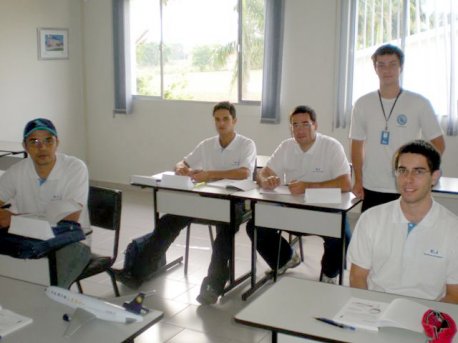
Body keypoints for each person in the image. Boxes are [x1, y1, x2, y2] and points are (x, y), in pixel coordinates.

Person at [116, 101, 256, 305]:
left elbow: (244, 172)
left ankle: (212, 286)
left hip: (234, 201)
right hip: (204, 197)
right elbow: (183, 162)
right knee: (168, 222)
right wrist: (181, 168)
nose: (221, 123)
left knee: (224, 235)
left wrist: (209, 174)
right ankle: (137, 272)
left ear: (234, 121)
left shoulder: (246, 144)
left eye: (226, 119)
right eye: (217, 119)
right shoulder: (207, 144)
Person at [246, 105, 352, 283]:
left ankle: (329, 273)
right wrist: (266, 181)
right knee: (255, 225)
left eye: (305, 124)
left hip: (324, 208)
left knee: (342, 234)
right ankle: (285, 259)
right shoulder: (287, 146)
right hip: (292, 206)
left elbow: (346, 183)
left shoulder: (331, 146)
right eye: (295, 125)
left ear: (315, 125)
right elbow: (263, 172)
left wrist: (308, 186)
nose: (300, 130)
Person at [348, 140, 458, 304]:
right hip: (376, 306)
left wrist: (427, 321)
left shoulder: (452, 228)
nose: (408, 179)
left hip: (427, 315)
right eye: (402, 170)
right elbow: (357, 277)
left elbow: (454, 294)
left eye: (418, 172)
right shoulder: (371, 219)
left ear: (434, 177)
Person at [349, 44, 445, 212]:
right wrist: (358, 180)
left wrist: (424, 174)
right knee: (374, 235)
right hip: (372, 185)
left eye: (392, 64)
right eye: (381, 65)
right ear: (375, 68)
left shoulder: (419, 103)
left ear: (401, 67)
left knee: (408, 235)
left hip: (407, 186)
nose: (387, 70)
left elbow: (438, 143)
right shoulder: (363, 103)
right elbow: (356, 145)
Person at [0, 118, 91, 288]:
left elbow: (68, 221)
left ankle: (49, 304)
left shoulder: (75, 168)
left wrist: (14, 220)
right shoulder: (17, 171)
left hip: (69, 241)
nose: (42, 147)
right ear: (25, 146)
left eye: (48, 140)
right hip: (27, 238)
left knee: (52, 281)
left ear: (57, 143)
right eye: (34, 141)